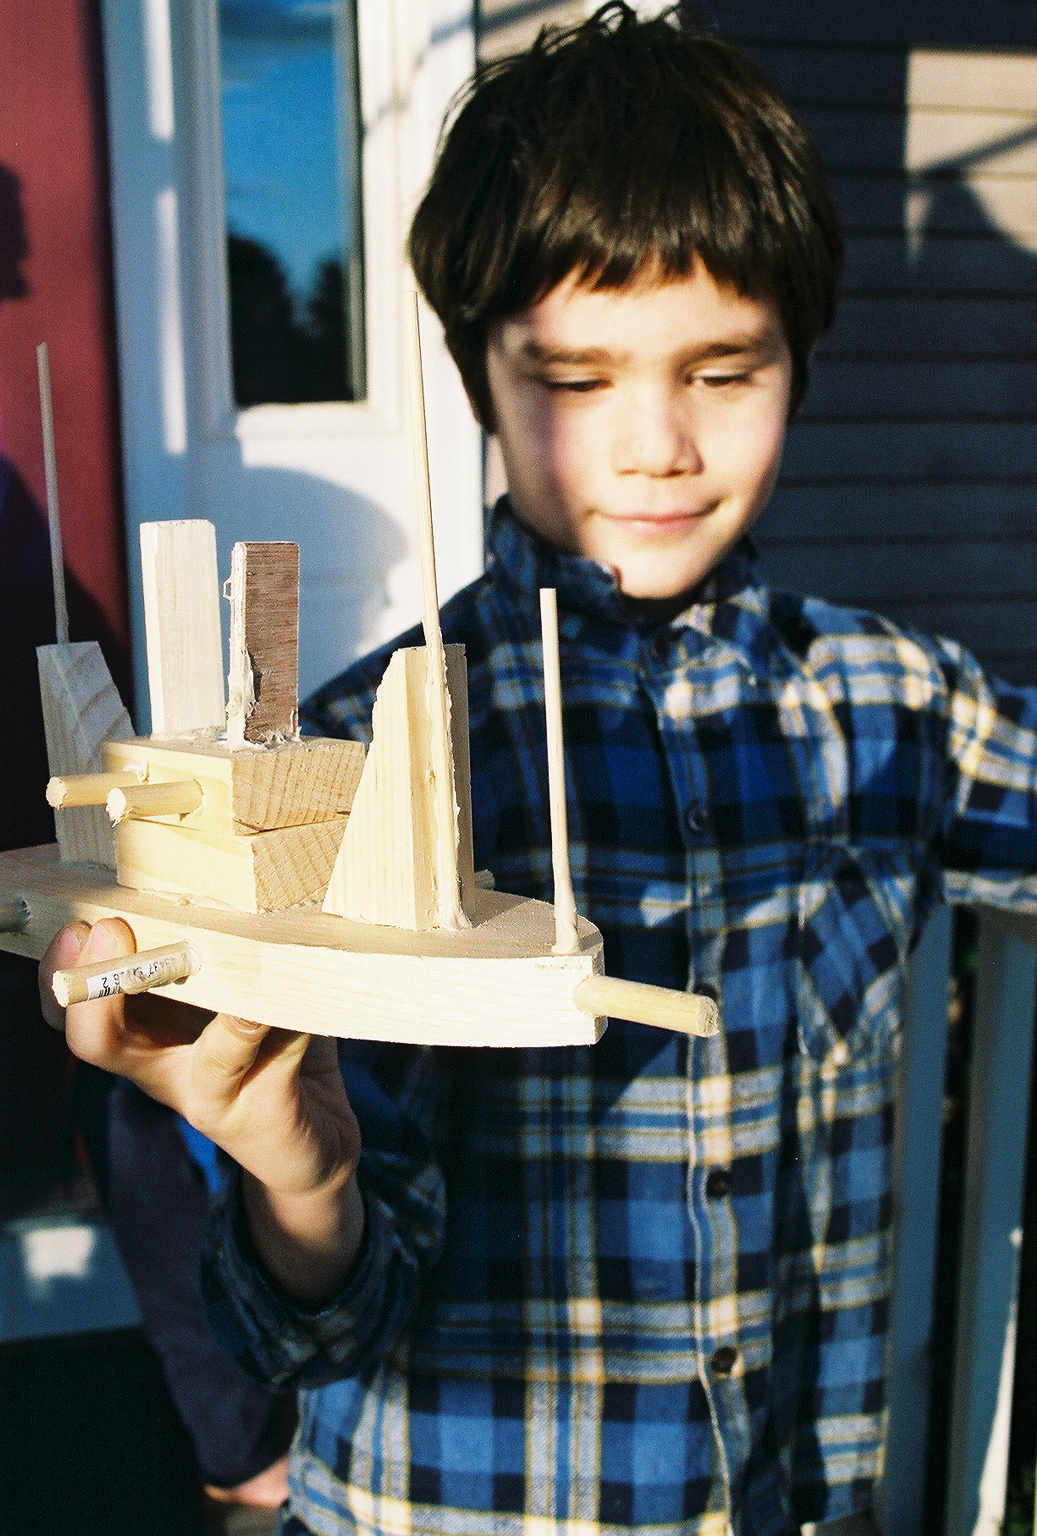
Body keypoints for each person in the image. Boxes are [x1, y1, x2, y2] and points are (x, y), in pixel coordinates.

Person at [38, 6, 1037, 1533]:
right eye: (574, 378)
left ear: (799, 356)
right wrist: (298, 1173)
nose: (655, 445)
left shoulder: (896, 705)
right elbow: (320, 1324)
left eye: (722, 368)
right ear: (477, 377)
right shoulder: (353, 767)